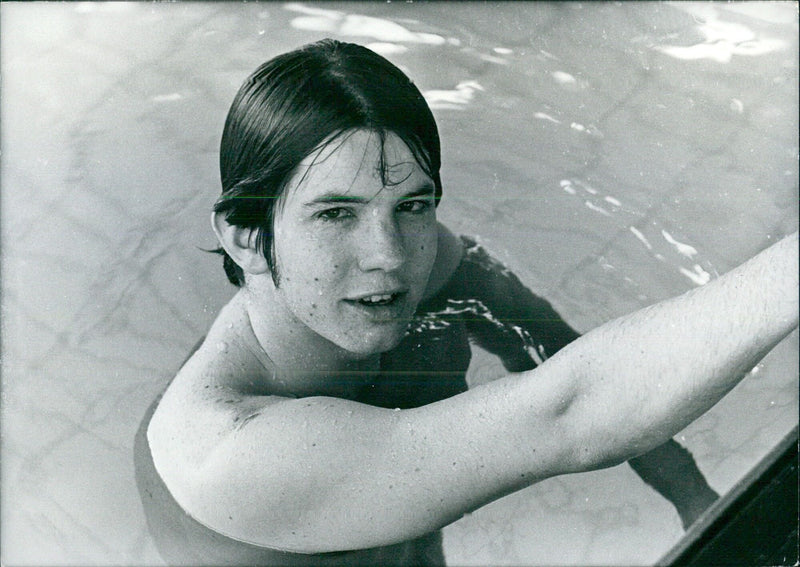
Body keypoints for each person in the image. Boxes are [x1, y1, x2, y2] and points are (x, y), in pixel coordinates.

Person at [136, 39, 798, 566]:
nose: (389, 255)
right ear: (245, 237)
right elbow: (570, 408)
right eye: (335, 213)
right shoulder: (230, 454)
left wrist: (692, 496)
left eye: (412, 204)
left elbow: (554, 351)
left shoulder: (409, 265)